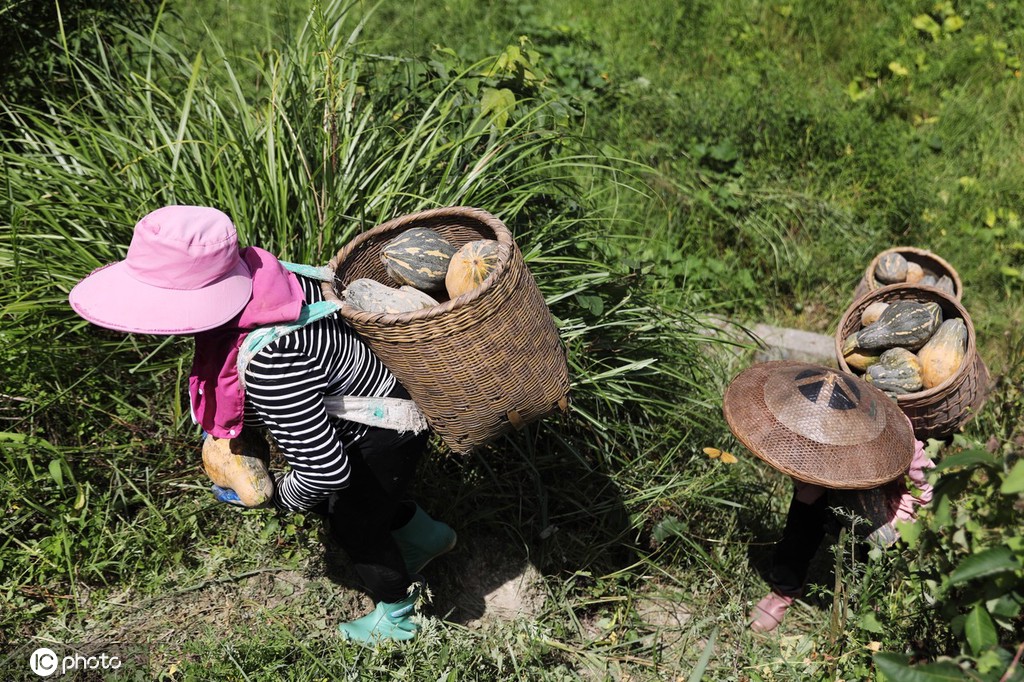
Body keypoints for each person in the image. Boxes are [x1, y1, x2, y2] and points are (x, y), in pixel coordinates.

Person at [69, 205, 456, 644]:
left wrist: (278, 500)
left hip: (385, 431)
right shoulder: (272, 281)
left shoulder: (270, 364)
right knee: (367, 500)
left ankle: (401, 616)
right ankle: (425, 536)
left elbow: (325, 469)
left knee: (354, 523)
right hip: (374, 409)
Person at [721, 361, 935, 633]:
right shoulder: (802, 423)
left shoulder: (892, 431)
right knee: (797, 538)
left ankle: (870, 603)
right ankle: (783, 592)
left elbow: (922, 475)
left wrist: (921, 509)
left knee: (870, 555)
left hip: (875, 498)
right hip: (819, 491)